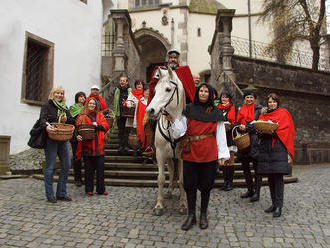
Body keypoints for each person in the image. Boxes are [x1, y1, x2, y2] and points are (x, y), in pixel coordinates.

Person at [169, 83, 230, 231]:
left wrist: (222, 154)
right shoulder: (188, 109)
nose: (203, 93)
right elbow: (180, 132)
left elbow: (221, 135)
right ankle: (191, 215)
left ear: (210, 94)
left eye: (206, 91)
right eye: (201, 91)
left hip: (208, 152)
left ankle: (203, 214)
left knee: (206, 186)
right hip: (191, 152)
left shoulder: (215, 112)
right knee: (189, 185)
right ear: (198, 93)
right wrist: (173, 122)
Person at [143, 48, 196, 156]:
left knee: (192, 121)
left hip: (182, 106)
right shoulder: (160, 71)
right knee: (149, 121)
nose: (173, 60)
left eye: (175, 58)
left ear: (177, 59)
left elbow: (191, 89)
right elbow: (153, 86)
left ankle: (190, 144)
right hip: (163, 105)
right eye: (171, 58)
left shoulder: (184, 71)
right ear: (168, 59)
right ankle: (152, 145)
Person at [256, 93, 295, 217]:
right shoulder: (264, 114)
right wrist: (261, 131)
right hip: (266, 149)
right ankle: (273, 203)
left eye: (274, 102)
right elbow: (258, 128)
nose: (272, 104)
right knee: (270, 178)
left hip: (278, 148)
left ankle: (279, 206)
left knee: (278, 178)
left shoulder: (283, 113)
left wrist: (273, 133)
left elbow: (287, 129)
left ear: (278, 102)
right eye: (269, 102)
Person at [39, 86, 75, 203]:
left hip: (63, 139)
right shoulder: (47, 105)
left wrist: (66, 120)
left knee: (66, 164)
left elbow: (71, 120)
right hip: (51, 139)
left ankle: (61, 193)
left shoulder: (64, 107)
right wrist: (47, 126)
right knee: (50, 167)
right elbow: (42, 119)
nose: (59, 95)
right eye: (57, 93)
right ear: (53, 94)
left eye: (61, 93)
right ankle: (50, 194)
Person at [76, 97, 110, 195]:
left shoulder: (100, 115)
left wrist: (97, 125)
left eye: (93, 104)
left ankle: (101, 189)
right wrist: (77, 135)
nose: (92, 105)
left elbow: (106, 126)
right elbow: (77, 128)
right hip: (88, 146)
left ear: (96, 105)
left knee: (100, 171)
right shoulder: (82, 116)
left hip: (99, 146)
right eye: (90, 103)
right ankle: (89, 190)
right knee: (88, 171)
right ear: (87, 104)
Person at [236, 90, 263, 202]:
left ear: (254, 98)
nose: (249, 99)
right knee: (245, 168)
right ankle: (250, 190)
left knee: (257, 169)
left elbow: (259, 124)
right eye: (247, 97)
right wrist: (239, 127)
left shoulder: (259, 110)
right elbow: (236, 123)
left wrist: (247, 128)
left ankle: (257, 192)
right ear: (244, 99)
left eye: (251, 97)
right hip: (243, 142)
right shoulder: (240, 110)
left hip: (255, 142)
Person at [217, 91, 237, 191]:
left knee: (230, 160)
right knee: (224, 160)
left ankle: (230, 183)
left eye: (226, 97)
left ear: (229, 99)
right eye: (222, 97)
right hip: (221, 137)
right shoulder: (218, 109)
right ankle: (225, 182)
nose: (224, 99)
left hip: (230, 136)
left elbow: (236, 121)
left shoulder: (233, 108)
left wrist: (230, 126)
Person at [69, 91, 86, 187]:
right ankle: (77, 179)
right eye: (80, 97)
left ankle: (86, 177)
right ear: (77, 98)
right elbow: (71, 121)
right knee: (77, 158)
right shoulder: (73, 107)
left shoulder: (86, 108)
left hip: (85, 134)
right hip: (75, 135)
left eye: (83, 97)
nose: (82, 98)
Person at [112, 75, 132, 154]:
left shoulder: (129, 90)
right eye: (121, 80)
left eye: (124, 80)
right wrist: (115, 112)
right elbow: (115, 101)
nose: (122, 82)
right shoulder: (117, 90)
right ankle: (121, 146)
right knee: (120, 131)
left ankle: (126, 146)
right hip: (119, 113)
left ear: (127, 82)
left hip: (127, 113)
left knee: (126, 131)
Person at [125, 79, 144, 145]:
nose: (139, 85)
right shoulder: (132, 93)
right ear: (135, 85)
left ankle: (142, 144)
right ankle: (134, 146)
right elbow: (128, 100)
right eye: (137, 84)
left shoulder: (145, 93)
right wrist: (129, 104)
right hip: (133, 114)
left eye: (140, 84)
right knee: (134, 131)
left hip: (142, 114)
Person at [136, 87, 149, 153]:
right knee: (142, 136)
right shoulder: (140, 101)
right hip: (141, 122)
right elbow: (137, 113)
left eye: (148, 91)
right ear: (143, 93)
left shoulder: (152, 101)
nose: (147, 93)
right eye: (146, 91)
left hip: (149, 123)